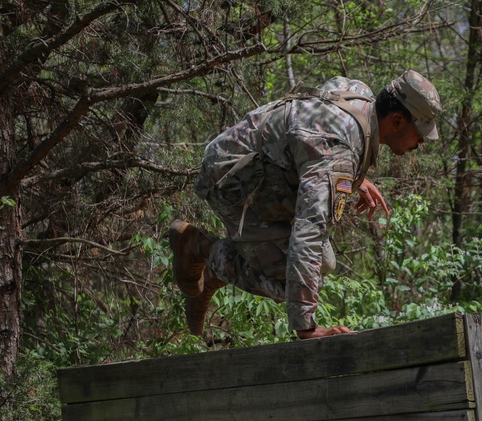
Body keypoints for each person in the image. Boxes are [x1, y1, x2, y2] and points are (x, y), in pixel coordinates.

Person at [169, 70, 441, 339]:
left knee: (326, 263)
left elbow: (312, 137)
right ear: (396, 121)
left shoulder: (360, 95)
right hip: (230, 178)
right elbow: (308, 232)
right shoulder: (337, 154)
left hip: (257, 166)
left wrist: (356, 177)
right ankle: (202, 249)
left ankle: (215, 267)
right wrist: (307, 328)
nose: (420, 143)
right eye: (419, 134)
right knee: (286, 284)